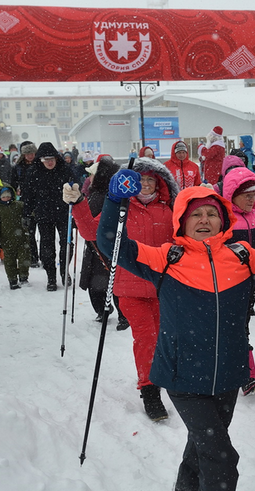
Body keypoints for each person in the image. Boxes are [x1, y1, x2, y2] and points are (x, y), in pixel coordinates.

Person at [97, 169, 255, 491]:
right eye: (196, 214)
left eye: (211, 213)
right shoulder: (167, 258)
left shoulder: (242, 255)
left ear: (223, 219)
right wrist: (115, 200)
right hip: (182, 376)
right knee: (222, 458)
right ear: (182, 221)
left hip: (228, 372)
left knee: (204, 443)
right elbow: (110, 244)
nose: (204, 219)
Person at [65, 156, 179, 421]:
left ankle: (165, 376)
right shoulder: (119, 207)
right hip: (129, 287)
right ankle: (149, 390)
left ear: (160, 183)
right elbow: (92, 232)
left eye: (152, 180)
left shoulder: (171, 210)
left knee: (165, 338)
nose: (146, 185)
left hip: (164, 287)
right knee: (146, 337)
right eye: (141, 180)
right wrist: (79, 204)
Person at [222, 167, 255, 395]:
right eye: (247, 195)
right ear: (232, 195)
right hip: (226, 284)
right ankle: (247, 374)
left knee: (240, 326)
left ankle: (239, 367)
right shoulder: (224, 220)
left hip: (250, 283)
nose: (252, 199)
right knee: (235, 327)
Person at [77, 156, 128, 326]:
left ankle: (108, 311)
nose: (88, 179)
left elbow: (90, 225)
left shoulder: (99, 196)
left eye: (91, 175)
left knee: (102, 281)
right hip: (107, 245)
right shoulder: (103, 194)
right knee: (111, 280)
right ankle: (117, 313)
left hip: (99, 246)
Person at [24, 142, 78, 291]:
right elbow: (28, 196)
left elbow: (76, 189)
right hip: (43, 214)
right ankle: (51, 277)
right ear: (40, 159)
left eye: (52, 158)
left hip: (64, 213)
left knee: (66, 243)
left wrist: (77, 207)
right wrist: (26, 214)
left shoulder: (65, 170)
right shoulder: (33, 172)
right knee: (46, 246)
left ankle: (63, 270)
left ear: (56, 158)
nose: (49, 162)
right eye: (45, 159)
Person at [0, 183, 31, 290]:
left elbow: (30, 213)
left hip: (22, 238)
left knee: (24, 259)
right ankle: (12, 279)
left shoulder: (19, 205)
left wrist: (28, 219)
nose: (6, 198)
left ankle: (23, 277)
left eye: (8, 196)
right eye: (3, 197)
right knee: (9, 261)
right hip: (6, 240)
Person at [15, 141, 40, 267]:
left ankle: (44, 257)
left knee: (44, 233)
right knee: (29, 232)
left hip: (41, 201)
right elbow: (13, 183)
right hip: (26, 202)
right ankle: (33, 257)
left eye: (32, 153)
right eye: (27, 153)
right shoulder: (18, 167)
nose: (30, 156)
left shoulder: (41, 165)